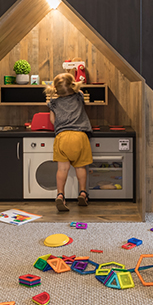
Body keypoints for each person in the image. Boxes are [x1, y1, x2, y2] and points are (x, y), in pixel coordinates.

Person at [45, 73, 93, 212]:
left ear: (55, 88)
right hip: (80, 136)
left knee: (62, 169)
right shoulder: (79, 96)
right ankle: (83, 193)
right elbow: (80, 91)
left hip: (62, 137)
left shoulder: (53, 103)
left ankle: (60, 195)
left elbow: (52, 120)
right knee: (80, 168)